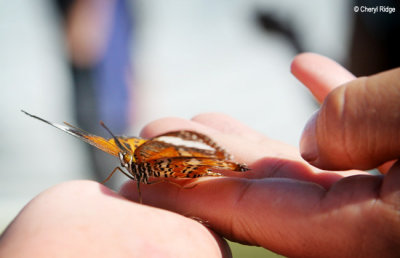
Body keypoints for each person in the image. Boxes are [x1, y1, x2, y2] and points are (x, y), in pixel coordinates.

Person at [0, 53, 399, 257]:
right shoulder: (133, 158)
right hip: (177, 151)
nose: (120, 166)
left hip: (181, 155)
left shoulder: (146, 160)